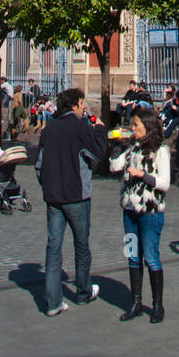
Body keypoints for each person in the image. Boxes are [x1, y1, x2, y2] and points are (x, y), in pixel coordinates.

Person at [35, 87, 107, 316]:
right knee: (81, 245)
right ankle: (84, 292)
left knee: (53, 248)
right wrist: (100, 131)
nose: (84, 107)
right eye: (81, 103)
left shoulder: (49, 129)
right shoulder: (79, 127)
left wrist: (48, 186)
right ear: (74, 105)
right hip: (77, 196)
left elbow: (39, 166)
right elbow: (97, 155)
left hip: (54, 198)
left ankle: (53, 302)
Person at [110, 105, 170, 323]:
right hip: (129, 211)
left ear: (147, 126)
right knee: (133, 255)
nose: (132, 128)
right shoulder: (132, 147)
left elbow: (165, 183)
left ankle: (157, 305)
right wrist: (117, 146)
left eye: (136, 124)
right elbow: (114, 166)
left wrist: (143, 175)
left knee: (151, 257)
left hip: (150, 212)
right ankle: (135, 302)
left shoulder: (160, 149)